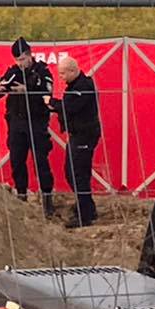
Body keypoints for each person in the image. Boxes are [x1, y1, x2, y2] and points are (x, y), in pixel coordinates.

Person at [0, 37, 56, 212]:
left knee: (40, 161)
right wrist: (0, 89)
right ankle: (21, 196)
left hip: (36, 123)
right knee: (17, 160)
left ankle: (47, 200)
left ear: (29, 55)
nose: (20, 63)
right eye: (17, 60)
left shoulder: (42, 71)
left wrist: (26, 90)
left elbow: (47, 93)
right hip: (16, 122)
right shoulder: (13, 72)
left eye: (22, 59)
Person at [52, 54, 102, 229]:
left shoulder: (83, 86)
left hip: (85, 135)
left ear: (73, 70)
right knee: (72, 172)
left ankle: (85, 215)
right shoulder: (74, 85)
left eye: (63, 73)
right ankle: (86, 205)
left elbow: (69, 107)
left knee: (78, 173)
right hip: (77, 134)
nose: (60, 77)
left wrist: (51, 103)